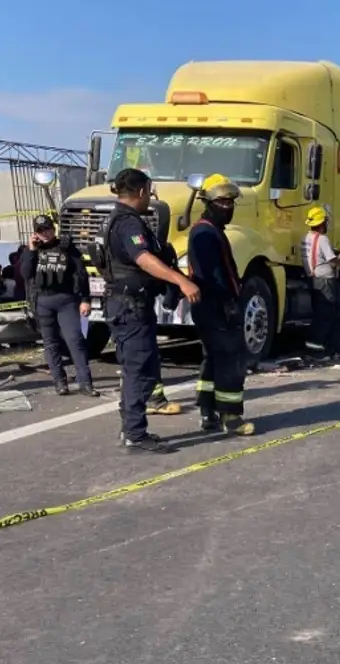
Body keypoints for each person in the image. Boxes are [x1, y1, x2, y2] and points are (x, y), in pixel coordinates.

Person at [97, 168, 199, 453]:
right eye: (149, 190)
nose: (150, 196)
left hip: (126, 305)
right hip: (130, 307)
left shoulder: (112, 219)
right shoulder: (128, 223)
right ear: (141, 191)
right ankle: (134, 434)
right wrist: (180, 279)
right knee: (139, 369)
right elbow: (142, 258)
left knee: (142, 367)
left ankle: (132, 430)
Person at [188, 173, 255, 436]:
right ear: (209, 202)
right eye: (223, 203)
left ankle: (207, 411)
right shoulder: (205, 233)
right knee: (231, 360)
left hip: (212, 306)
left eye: (231, 203)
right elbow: (210, 275)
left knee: (213, 358)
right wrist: (228, 303)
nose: (229, 209)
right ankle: (231, 416)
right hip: (215, 307)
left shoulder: (210, 230)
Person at [20, 214, 99, 397]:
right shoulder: (31, 250)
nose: (44, 233)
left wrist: (86, 299)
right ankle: (60, 382)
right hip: (43, 301)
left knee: (75, 340)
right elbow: (25, 274)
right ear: (35, 233)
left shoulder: (66, 247)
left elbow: (81, 274)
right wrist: (31, 250)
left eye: (47, 229)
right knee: (51, 344)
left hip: (66, 300)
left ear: (53, 229)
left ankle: (85, 383)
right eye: (40, 231)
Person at [301, 205, 340, 359]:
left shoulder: (306, 238)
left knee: (319, 315)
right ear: (322, 223)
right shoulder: (323, 239)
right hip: (326, 282)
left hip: (313, 279)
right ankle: (321, 351)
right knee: (327, 316)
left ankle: (316, 349)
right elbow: (333, 262)